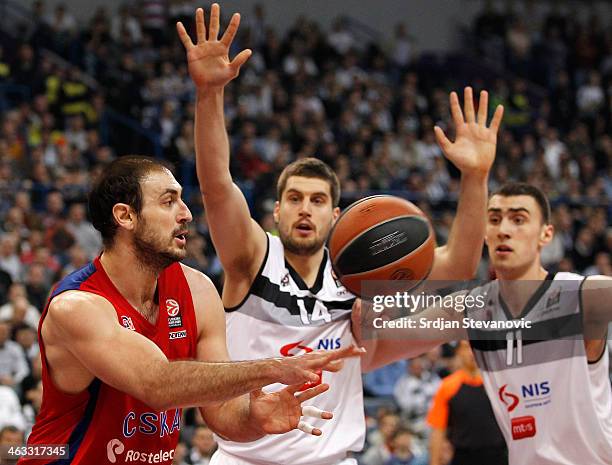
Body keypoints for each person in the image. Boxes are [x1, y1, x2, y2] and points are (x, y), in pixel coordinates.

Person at [176, 4, 503, 464]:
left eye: (316, 200)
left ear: (335, 215)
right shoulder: (251, 256)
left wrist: (474, 178)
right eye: (294, 198)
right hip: (246, 458)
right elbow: (216, 185)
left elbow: (458, 267)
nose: (304, 209)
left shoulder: (358, 277)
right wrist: (209, 95)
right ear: (276, 210)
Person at [20, 156, 364, 465]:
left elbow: (223, 412)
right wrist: (273, 368)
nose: (186, 213)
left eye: (182, 200)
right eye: (169, 201)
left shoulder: (197, 290)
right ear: (125, 215)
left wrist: (254, 420)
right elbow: (157, 385)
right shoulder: (77, 306)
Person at [356, 182, 612, 464]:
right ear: (486, 235)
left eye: (518, 219)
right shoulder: (470, 309)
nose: (503, 229)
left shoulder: (585, 296)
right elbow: (372, 355)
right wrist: (368, 294)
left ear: (546, 234)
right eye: (494, 219)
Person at [427, 341, 507, 465]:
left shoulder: (498, 382)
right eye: (466, 348)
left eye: (475, 347)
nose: (472, 352)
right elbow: (438, 430)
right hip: (463, 456)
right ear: (459, 352)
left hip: (498, 454)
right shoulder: (448, 386)